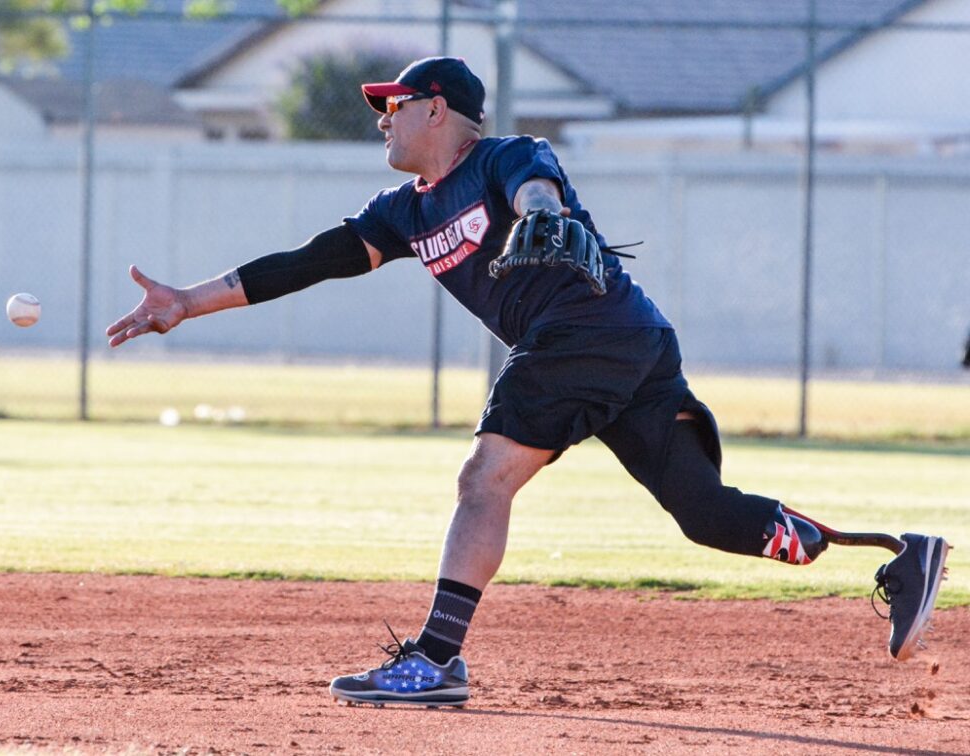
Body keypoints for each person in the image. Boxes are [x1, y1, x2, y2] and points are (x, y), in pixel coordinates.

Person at [106, 57, 950, 708]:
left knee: (485, 476)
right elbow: (307, 264)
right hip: (629, 347)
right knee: (706, 515)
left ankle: (436, 660)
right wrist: (187, 301)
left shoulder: (504, 158)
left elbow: (534, 182)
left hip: (583, 330)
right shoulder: (401, 211)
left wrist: (543, 211)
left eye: (391, 106)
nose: (383, 122)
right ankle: (895, 551)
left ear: (437, 108)